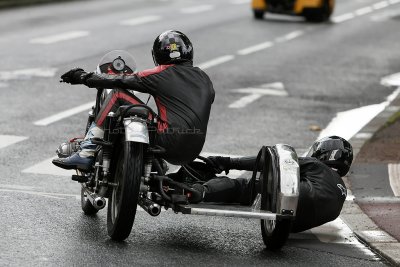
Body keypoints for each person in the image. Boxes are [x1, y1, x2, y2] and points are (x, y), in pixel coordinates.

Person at [53, 30, 215, 171]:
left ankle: (86, 151)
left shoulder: (161, 74)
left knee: (117, 94)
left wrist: (82, 77)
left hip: (167, 140)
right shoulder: (204, 79)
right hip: (193, 150)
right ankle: (154, 162)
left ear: (157, 55)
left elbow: (120, 79)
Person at [180, 136, 353, 233]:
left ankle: (199, 191)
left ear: (322, 152)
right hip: (295, 223)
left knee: (242, 187)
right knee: (255, 194)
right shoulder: (341, 192)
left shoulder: (317, 165)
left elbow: (273, 163)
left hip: (299, 195)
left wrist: (229, 162)